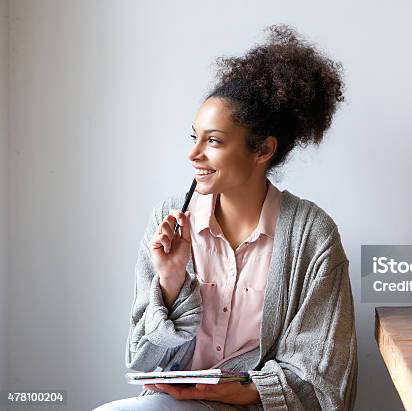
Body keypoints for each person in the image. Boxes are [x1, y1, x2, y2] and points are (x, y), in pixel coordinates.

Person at [93, 24, 357, 411]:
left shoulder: (312, 235)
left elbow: (322, 377)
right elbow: (140, 360)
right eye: (194, 137)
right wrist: (170, 280)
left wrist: (244, 392)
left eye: (213, 141)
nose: (193, 154)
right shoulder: (169, 222)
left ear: (263, 149)